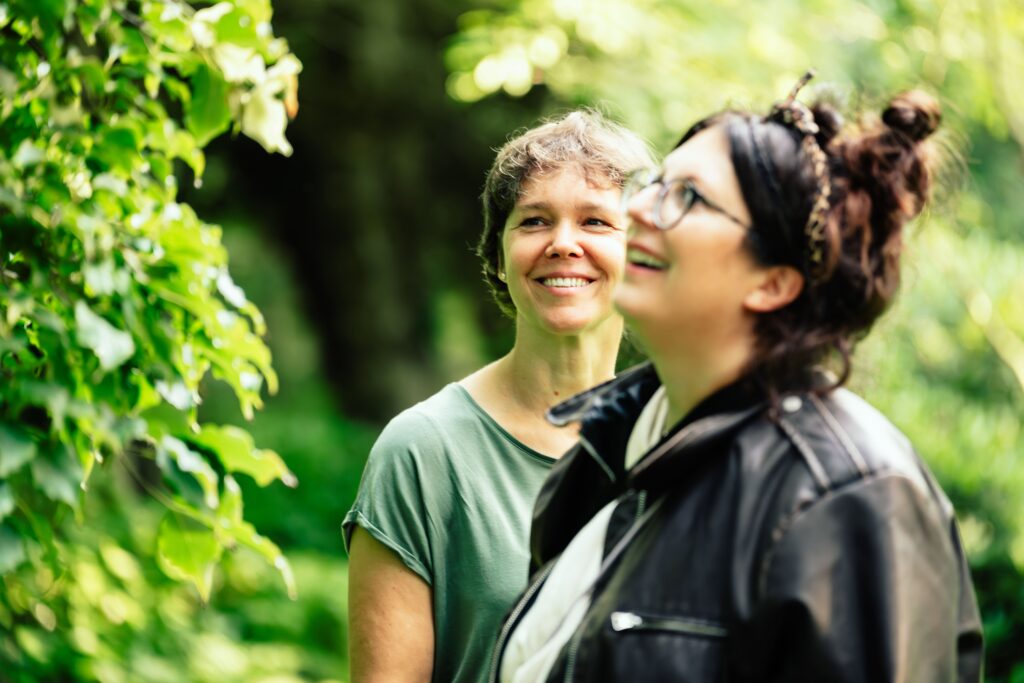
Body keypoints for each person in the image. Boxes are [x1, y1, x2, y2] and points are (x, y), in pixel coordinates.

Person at [492, 75, 984, 682]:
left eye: (689, 197)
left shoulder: (849, 495)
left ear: (773, 282)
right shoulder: (607, 449)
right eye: (655, 184)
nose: (638, 209)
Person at [343, 110, 655, 683]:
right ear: (498, 256)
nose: (564, 243)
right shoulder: (423, 452)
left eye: (595, 221)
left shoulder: (680, 441)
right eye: (534, 221)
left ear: (644, 256)